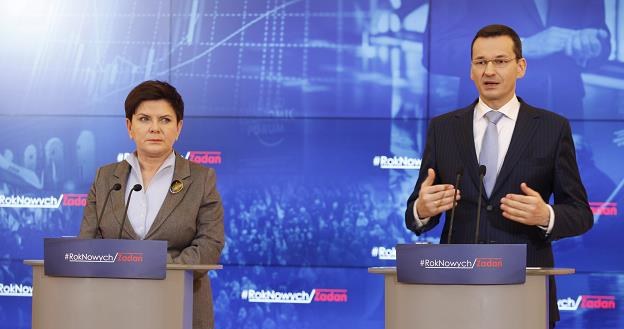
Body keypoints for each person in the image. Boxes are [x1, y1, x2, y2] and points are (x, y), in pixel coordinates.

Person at [405, 25, 593, 327]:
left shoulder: (551, 128)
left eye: (500, 61)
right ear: (470, 70)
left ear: (520, 67)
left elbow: (581, 214)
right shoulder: (443, 129)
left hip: (526, 294)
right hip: (455, 295)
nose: (489, 71)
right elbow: (415, 211)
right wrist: (421, 210)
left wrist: (546, 215)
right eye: (480, 62)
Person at [79, 80, 225, 329]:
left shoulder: (202, 179)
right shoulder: (105, 178)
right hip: (114, 309)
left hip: (181, 309)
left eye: (165, 120)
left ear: (179, 127)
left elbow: (210, 245)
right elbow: (87, 245)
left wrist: (152, 268)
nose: (155, 128)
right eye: (145, 119)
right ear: (129, 126)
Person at [424, 0, 610, 119]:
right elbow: (436, 48)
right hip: (490, 120)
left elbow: (601, 38)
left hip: (569, 120)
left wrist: (593, 46)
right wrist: (522, 46)